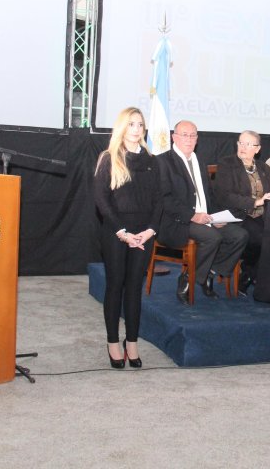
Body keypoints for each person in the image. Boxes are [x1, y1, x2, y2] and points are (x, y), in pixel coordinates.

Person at [93, 107, 162, 369]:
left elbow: (158, 200)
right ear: (122, 127)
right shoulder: (108, 158)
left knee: (134, 288)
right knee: (115, 286)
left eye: (140, 124)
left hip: (144, 233)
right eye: (131, 124)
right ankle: (113, 341)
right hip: (116, 232)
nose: (136, 128)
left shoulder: (151, 160)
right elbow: (101, 200)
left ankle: (131, 342)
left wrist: (150, 230)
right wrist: (122, 232)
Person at [156, 120, 249, 303]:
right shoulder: (163, 162)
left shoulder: (200, 160)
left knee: (240, 235)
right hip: (177, 221)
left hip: (204, 217)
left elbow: (209, 196)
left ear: (197, 139)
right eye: (184, 135)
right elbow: (165, 199)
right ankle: (189, 279)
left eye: (193, 135)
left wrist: (216, 216)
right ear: (174, 137)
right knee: (212, 237)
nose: (189, 139)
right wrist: (192, 216)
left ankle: (208, 273)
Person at [212, 130, 270, 294]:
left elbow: (267, 193)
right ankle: (248, 274)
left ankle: (250, 274)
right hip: (237, 214)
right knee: (259, 238)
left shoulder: (264, 168)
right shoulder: (227, 164)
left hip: (261, 215)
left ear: (257, 148)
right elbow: (225, 196)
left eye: (248, 144)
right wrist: (255, 202)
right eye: (241, 143)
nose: (243, 147)